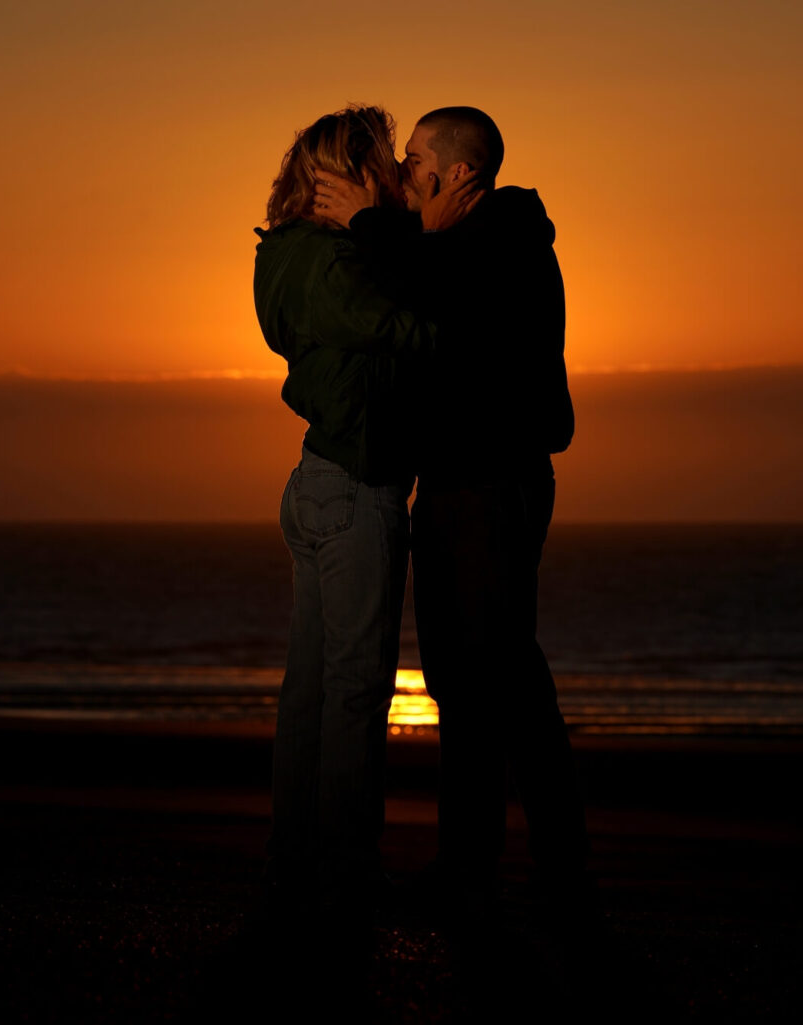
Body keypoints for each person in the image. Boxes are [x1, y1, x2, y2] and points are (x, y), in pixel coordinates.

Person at [314, 107, 592, 930]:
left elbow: (442, 283)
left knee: (502, 685)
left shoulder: (505, 243)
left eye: (414, 162)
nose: (404, 174)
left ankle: (551, 874)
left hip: (490, 491)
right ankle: (478, 870)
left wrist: (363, 219)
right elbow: (429, 278)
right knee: (470, 688)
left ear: (459, 175)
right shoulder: (471, 245)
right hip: (460, 487)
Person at [250, 104, 479, 952]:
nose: (394, 171)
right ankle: (341, 873)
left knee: (309, 695)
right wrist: (414, 240)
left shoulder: (283, 257)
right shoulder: (337, 265)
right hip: (357, 489)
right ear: (346, 173)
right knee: (351, 698)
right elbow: (421, 330)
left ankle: (294, 866)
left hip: (315, 482)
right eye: (381, 160)